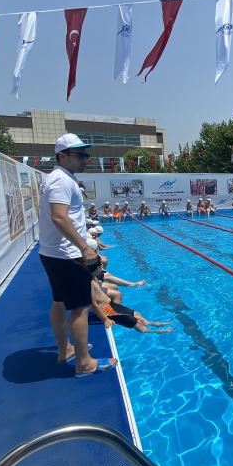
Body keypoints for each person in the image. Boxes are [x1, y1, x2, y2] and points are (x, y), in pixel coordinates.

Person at [38, 133, 116, 377]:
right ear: (62, 155)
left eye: (86, 154)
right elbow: (59, 217)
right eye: (80, 155)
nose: (86, 159)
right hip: (68, 255)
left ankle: (66, 349)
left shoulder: (58, 178)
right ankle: (84, 363)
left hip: (52, 253)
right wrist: (84, 247)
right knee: (80, 308)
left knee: (59, 302)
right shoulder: (62, 181)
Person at [89, 263, 173, 334]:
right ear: (96, 269)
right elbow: (94, 304)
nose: (103, 269)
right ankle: (154, 331)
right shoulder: (89, 283)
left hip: (111, 305)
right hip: (107, 311)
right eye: (100, 267)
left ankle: (149, 323)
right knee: (138, 325)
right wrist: (105, 319)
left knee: (137, 314)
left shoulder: (94, 277)